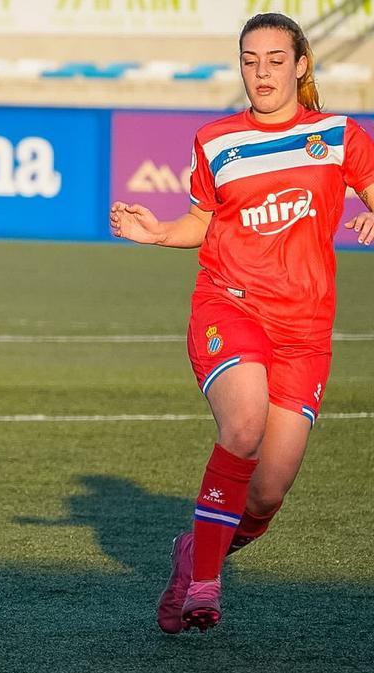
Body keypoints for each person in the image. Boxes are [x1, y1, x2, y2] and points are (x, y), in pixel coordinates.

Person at [110, 13, 374, 634]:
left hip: (305, 332)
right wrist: (159, 232)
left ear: (301, 65)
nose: (262, 73)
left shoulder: (337, 134)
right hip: (230, 305)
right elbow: (204, 220)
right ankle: (206, 581)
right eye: (251, 60)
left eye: (276, 60)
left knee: (266, 495)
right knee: (245, 423)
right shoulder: (216, 139)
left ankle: (194, 553)